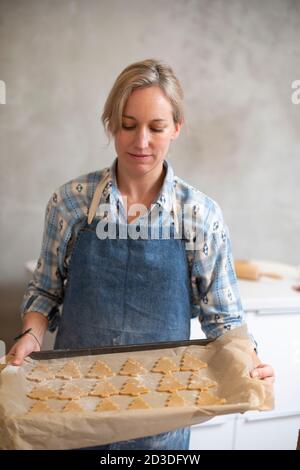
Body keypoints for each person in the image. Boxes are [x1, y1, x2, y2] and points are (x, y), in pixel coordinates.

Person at [8, 59, 274, 450]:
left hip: (160, 421)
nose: (141, 141)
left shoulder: (198, 215)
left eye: (157, 127)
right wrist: (31, 334)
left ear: (177, 128)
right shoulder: (71, 203)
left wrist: (250, 359)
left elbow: (224, 317)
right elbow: (46, 290)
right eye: (128, 125)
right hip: (71, 409)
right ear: (111, 124)